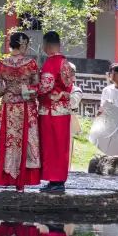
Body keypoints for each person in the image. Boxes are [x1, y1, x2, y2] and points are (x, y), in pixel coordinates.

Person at [0, 31, 41, 191]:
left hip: (8, 107)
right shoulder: (31, 64)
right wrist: (24, 90)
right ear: (22, 44)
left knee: (2, 142)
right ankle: (20, 183)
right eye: (27, 45)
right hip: (25, 108)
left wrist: (9, 90)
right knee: (25, 141)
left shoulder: (1, 64)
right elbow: (37, 88)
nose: (27, 48)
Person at [37, 31, 76, 193]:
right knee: (61, 146)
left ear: (46, 45)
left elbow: (45, 86)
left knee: (51, 146)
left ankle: (55, 181)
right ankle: (58, 180)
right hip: (63, 111)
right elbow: (69, 85)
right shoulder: (66, 63)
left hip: (50, 112)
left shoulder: (50, 63)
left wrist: (31, 89)